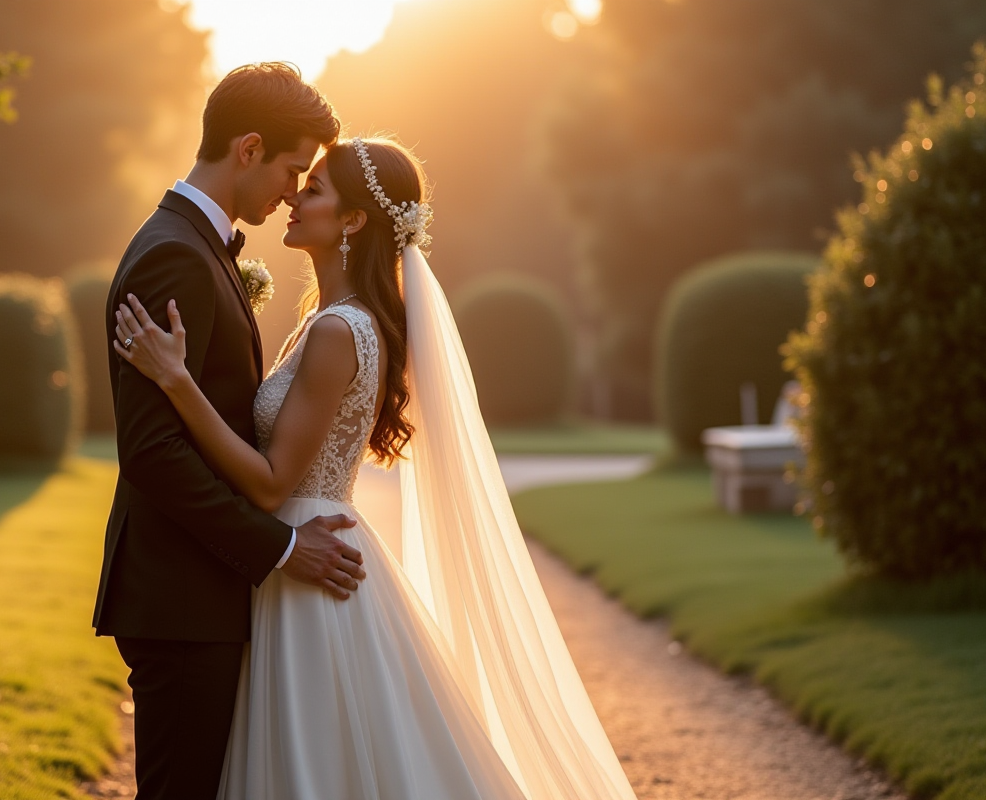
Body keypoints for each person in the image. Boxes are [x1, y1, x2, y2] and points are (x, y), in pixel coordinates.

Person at [114, 134, 640, 799]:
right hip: (304, 551)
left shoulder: (339, 331)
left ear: (354, 220)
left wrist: (176, 382)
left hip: (309, 559)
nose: (292, 198)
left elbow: (274, 480)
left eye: (314, 190)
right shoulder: (326, 321)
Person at [92, 63, 367, 800]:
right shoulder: (177, 254)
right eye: (291, 169)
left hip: (196, 592)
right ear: (248, 149)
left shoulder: (196, 246)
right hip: (181, 597)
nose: (291, 190)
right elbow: (152, 453)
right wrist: (277, 546)